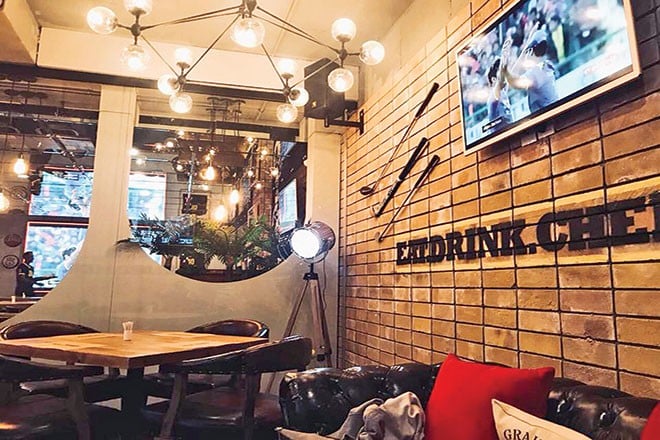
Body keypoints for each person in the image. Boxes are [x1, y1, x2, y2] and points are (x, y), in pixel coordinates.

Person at [501, 32, 559, 114]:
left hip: (548, 116)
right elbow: (514, 74)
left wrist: (504, 69)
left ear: (531, 51)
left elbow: (514, 83)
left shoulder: (535, 73)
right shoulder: (547, 65)